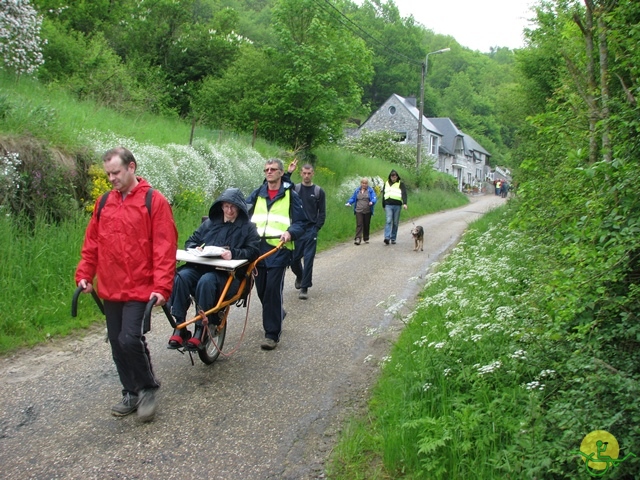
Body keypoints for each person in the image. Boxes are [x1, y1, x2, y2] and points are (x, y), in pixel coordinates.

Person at [75, 146, 178, 422]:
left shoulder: (153, 201)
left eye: (116, 172)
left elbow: (164, 247)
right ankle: (130, 392)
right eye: (108, 174)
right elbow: (93, 243)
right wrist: (85, 274)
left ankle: (146, 387)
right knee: (116, 343)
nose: (111, 178)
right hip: (111, 286)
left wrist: (162, 287)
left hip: (140, 287)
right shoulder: (104, 202)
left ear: (131, 167)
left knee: (129, 338)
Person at [167, 188, 260, 350]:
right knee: (181, 277)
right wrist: (196, 249)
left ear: (239, 207)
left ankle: (201, 329)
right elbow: (190, 241)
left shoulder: (248, 228)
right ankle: (179, 325)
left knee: (206, 281)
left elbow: (254, 251)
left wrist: (233, 253)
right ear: (221, 206)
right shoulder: (210, 223)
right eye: (225, 206)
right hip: (201, 266)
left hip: (227, 275)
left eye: (232, 207)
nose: (229, 211)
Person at [246, 158, 308, 350]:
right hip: (257, 250)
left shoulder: (290, 195)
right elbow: (244, 215)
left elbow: (301, 222)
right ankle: (277, 313)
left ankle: (271, 334)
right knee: (262, 290)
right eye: (266, 169)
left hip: (279, 250)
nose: (269, 172)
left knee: (273, 290)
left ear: (281, 173)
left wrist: (290, 233)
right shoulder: (258, 194)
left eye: (273, 169)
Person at [289, 163, 326, 300]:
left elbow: (322, 212)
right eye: (304, 173)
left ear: (313, 174)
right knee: (293, 259)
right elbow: (284, 186)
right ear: (301, 173)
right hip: (297, 229)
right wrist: (289, 172)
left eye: (309, 173)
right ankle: (300, 275)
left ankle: (304, 288)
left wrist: (316, 228)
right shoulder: (295, 189)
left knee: (309, 259)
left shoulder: (318, 191)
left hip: (311, 229)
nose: (306, 176)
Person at [345, 178, 377, 245]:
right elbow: (353, 198)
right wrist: (349, 203)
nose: (364, 185)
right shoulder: (357, 190)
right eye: (363, 183)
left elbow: (374, 198)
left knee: (366, 224)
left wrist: (372, 202)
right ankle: (358, 238)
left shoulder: (370, 190)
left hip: (367, 210)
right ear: (361, 183)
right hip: (358, 210)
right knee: (359, 224)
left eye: (365, 183)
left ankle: (366, 237)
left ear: (367, 184)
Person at [381, 169, 407, 245]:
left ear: (397, 176)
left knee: (395, 222)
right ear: (390, 176)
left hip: (397, 205)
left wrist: (405, 203)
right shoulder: (386, 183)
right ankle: (387, 237)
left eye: (395, 176)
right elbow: (384, 195)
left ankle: (393, 238)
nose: (394, 177)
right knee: (388, 220)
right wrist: (383, 205)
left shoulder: (400, 183)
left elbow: (404, 194)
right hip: (388, 205)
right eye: (392, 175)